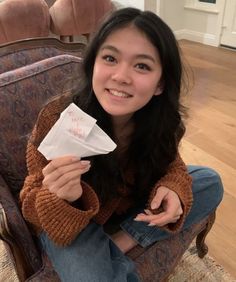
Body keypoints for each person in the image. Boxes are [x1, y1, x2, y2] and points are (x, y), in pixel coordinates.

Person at [20, 7, 223, 282]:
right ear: (93, 64)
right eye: (110, 58)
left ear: (160, 83)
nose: (121, 76)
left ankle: (121, 242)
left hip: (130, 209)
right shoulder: (58, 118)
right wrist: (57, 196)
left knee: (209, 181)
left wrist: (174, 187)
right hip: (76, 223)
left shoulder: (163, 122)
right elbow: (31, 209)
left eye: (142, 65)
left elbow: (173, 164)